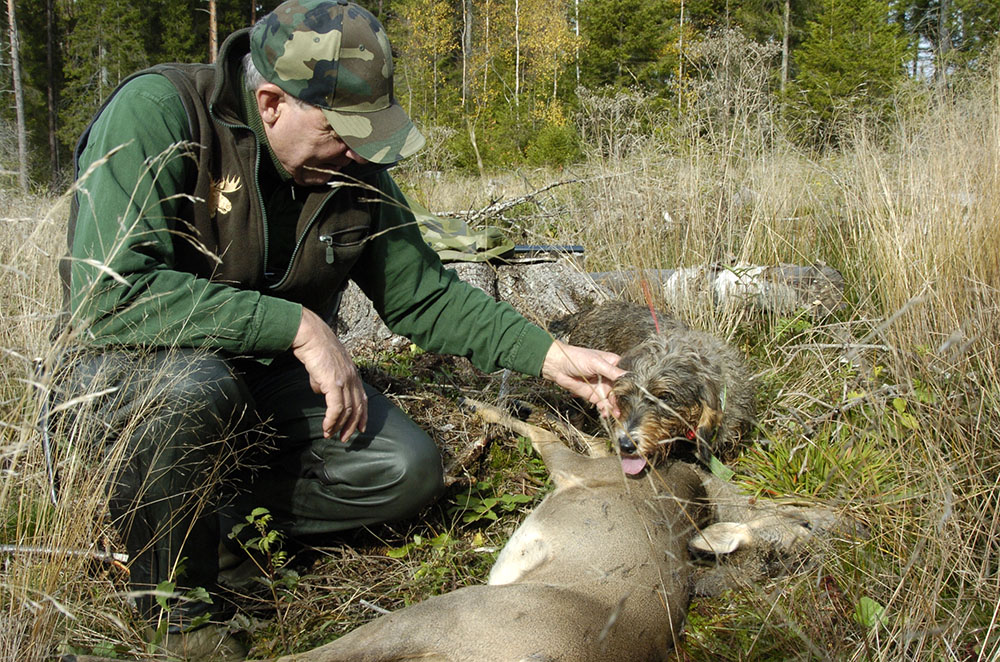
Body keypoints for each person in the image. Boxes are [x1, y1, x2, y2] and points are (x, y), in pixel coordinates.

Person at [56, 0, 624, 657]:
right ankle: (177, 616)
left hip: (259, 392)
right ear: (272, 102)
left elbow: (425, 297)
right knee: (192, 387)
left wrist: (548, 355)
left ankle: (217, 518)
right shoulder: (163, 114)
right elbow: (107, 297)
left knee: (405, 471)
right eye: (342, 130)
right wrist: (294, 323)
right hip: (129, 379)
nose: (358, 150)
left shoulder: (348, 166)